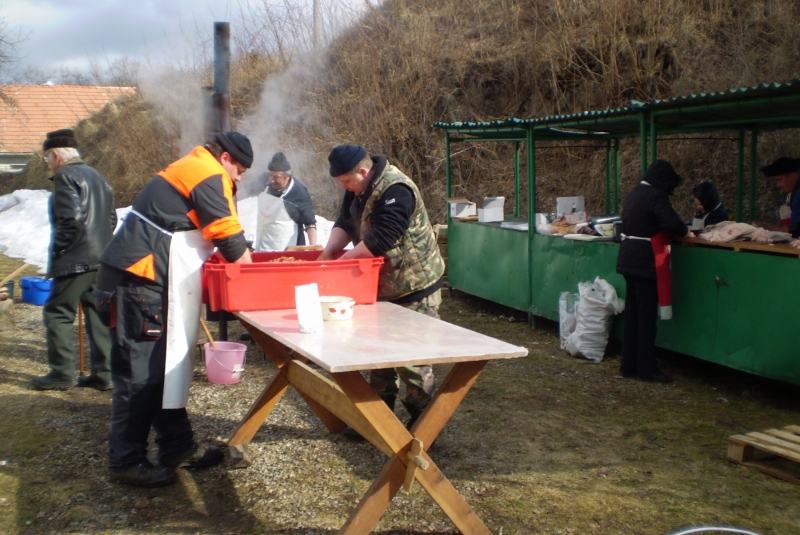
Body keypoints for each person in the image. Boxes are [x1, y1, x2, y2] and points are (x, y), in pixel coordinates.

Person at [95, 132, 254, 487]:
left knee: (164, 366)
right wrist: (253, 274)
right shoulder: (208, 172)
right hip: (139, 280)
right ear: (226, 157)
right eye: (240, 169)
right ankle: (125, 459)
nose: (240, 177)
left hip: (146, 279)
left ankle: (177, 447)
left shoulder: (197, 167)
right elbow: (229, 239)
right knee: (141, 374)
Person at [318, 144, 445, 441]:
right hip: (380, 284)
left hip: (415, 285)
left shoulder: (397, 189)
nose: (345, 188)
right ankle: (378, 421)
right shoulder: (357, 187)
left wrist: (344, 262)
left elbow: (383, 237)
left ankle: (426, 427)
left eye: (347, 182)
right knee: (377, 356)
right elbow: (345, 222)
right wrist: (327, 254)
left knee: (413, 359)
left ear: (363, 172)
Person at [32, 129, 116, 391]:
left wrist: (59, 249)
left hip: (76, 258)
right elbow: (112, 219)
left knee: (57, 313)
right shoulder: (97, 176)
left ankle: (62, 373)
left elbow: (71, 220)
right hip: (102, 259)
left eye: (47, 159)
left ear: (56, 155)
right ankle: (105, 374)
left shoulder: (65, 176)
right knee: (97, 314)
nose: (48, 164)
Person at [616, 160, 693, 383]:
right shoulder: (656, 196)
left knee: (632, 315)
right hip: (645, 260)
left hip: (628, 258)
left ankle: (628, 364)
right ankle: (646, 368)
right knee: (646, 318)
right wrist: (685, 231)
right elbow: (669, 221)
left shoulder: (635, 193)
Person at [254, 152, 317, 251]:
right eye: (270, 175)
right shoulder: (264, 181)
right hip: (262, 248)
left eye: (276, 177)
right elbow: (246, 190)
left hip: (289, 254)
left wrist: (313, 247)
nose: (271, 180)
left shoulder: (299, 192)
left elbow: (310, 223)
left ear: (287, 177)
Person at [758, 157, 800, 237]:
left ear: (792, 176)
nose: (778, 185)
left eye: (780, 180)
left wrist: (766, 228)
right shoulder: (788, 196)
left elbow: (795, 228)